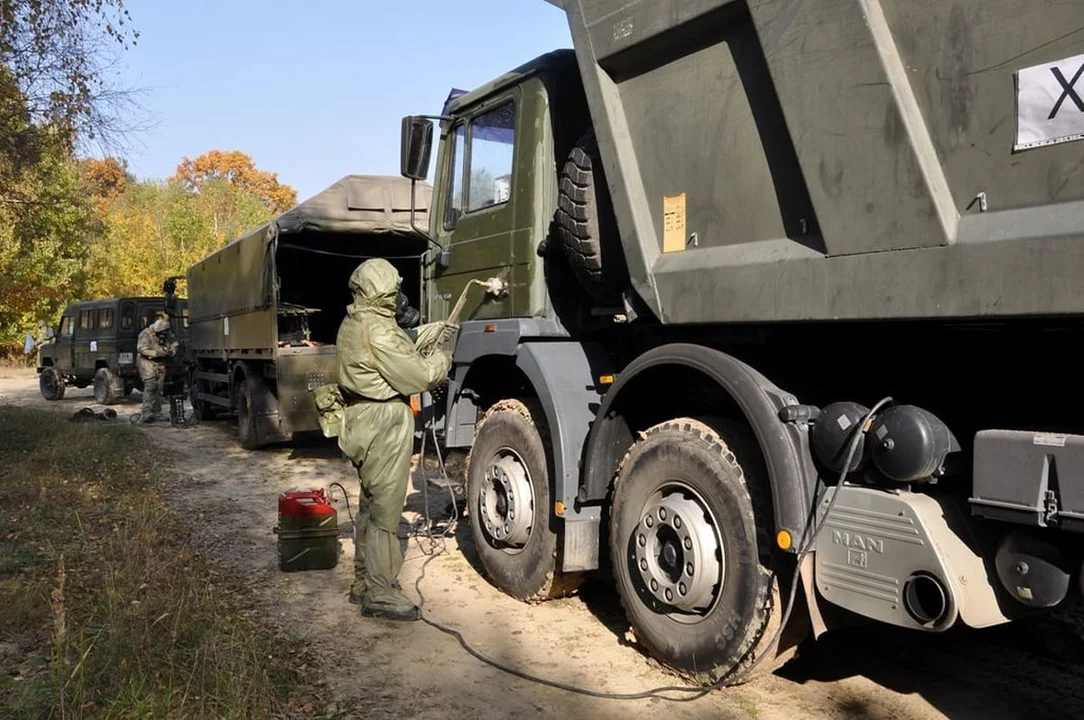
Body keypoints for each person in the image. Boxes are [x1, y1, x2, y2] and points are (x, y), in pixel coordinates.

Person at [334, 258, 455, 621]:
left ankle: (365, 582)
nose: (397, 297)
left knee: (371, 504)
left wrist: (430, 332)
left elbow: (398, 344)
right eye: (393, 291)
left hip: (362, 419)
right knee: (387, 509)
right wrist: (442, 359)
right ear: (384, 292)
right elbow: (416, 376)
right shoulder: (379, 330)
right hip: (383, 421)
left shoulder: (355, 321)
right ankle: (382, 593)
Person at [135, 316, 178, 423]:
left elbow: (175, 343)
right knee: (150, 386)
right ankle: (146, 413)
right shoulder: (145, 334)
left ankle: (156, 412)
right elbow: (141, 349)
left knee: (159, 388)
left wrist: (172, 350)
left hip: (161, 362)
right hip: (147, 362)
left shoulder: (167, 333)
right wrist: (156, 353)